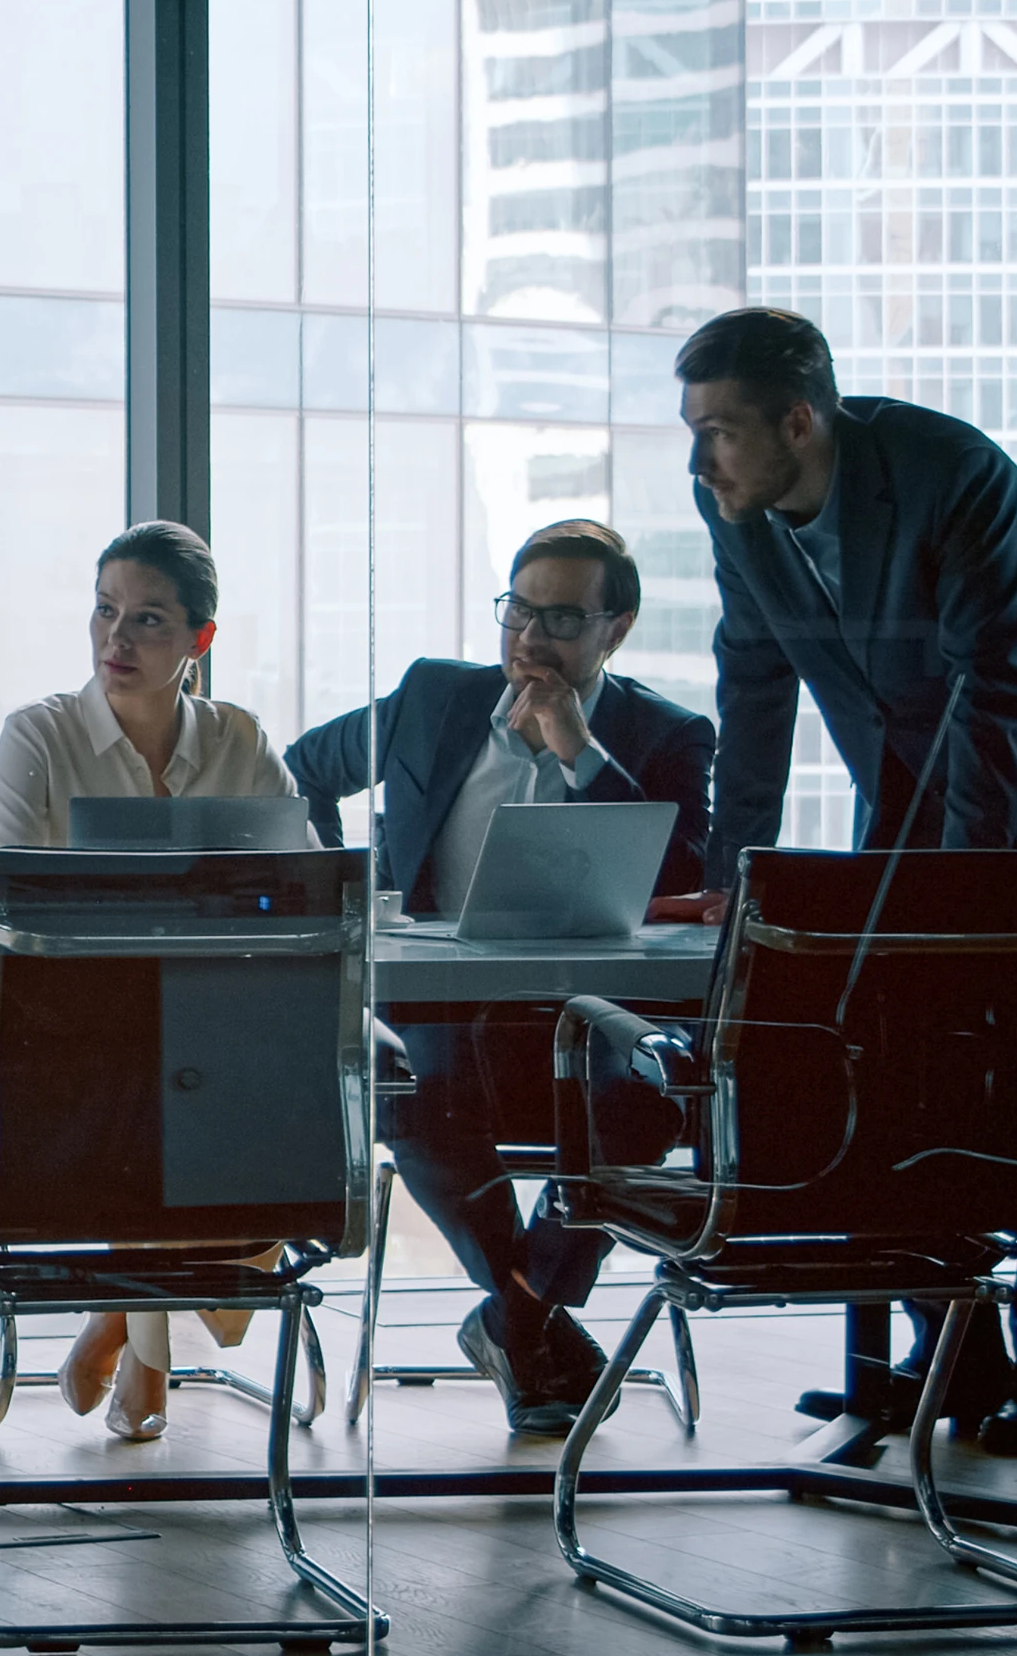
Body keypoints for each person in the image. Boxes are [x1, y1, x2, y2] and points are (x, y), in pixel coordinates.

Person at [678, 306, 1017, 1454]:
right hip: (919, 757)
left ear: (798, 419)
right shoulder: (734, 508)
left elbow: (999, 688)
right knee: (885, 1038)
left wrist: (972, 903)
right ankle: (951, 1347)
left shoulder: (951, 472)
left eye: (717, 429)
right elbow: (751, 691)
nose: (696, 455)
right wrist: (733, 879)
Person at [282, 520, 715, 1434]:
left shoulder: (668, 734)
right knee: (416, 1091)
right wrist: (356, 888)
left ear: (616, 629)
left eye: (561, 619)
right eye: (517, 610)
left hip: (587, 1016)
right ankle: (532, 1318)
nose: (529, 639)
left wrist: (577, 752)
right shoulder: (434, 697)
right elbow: (303, 772)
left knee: (644, 1101)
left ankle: (515, 1318)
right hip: (441, 1005)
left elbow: (681, 875)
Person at [0, 521, 295, 1441]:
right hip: (73, 1045)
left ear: (200, 641)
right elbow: (4, 899)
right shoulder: (39, 735)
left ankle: (122, 1318)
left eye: (148, 619)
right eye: (105, 611)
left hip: (209, 1040)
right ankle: (146, 1351)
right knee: (170, 1089)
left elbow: (304, 887)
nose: (116, 638)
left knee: (229, 1085)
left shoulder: (240, 740)